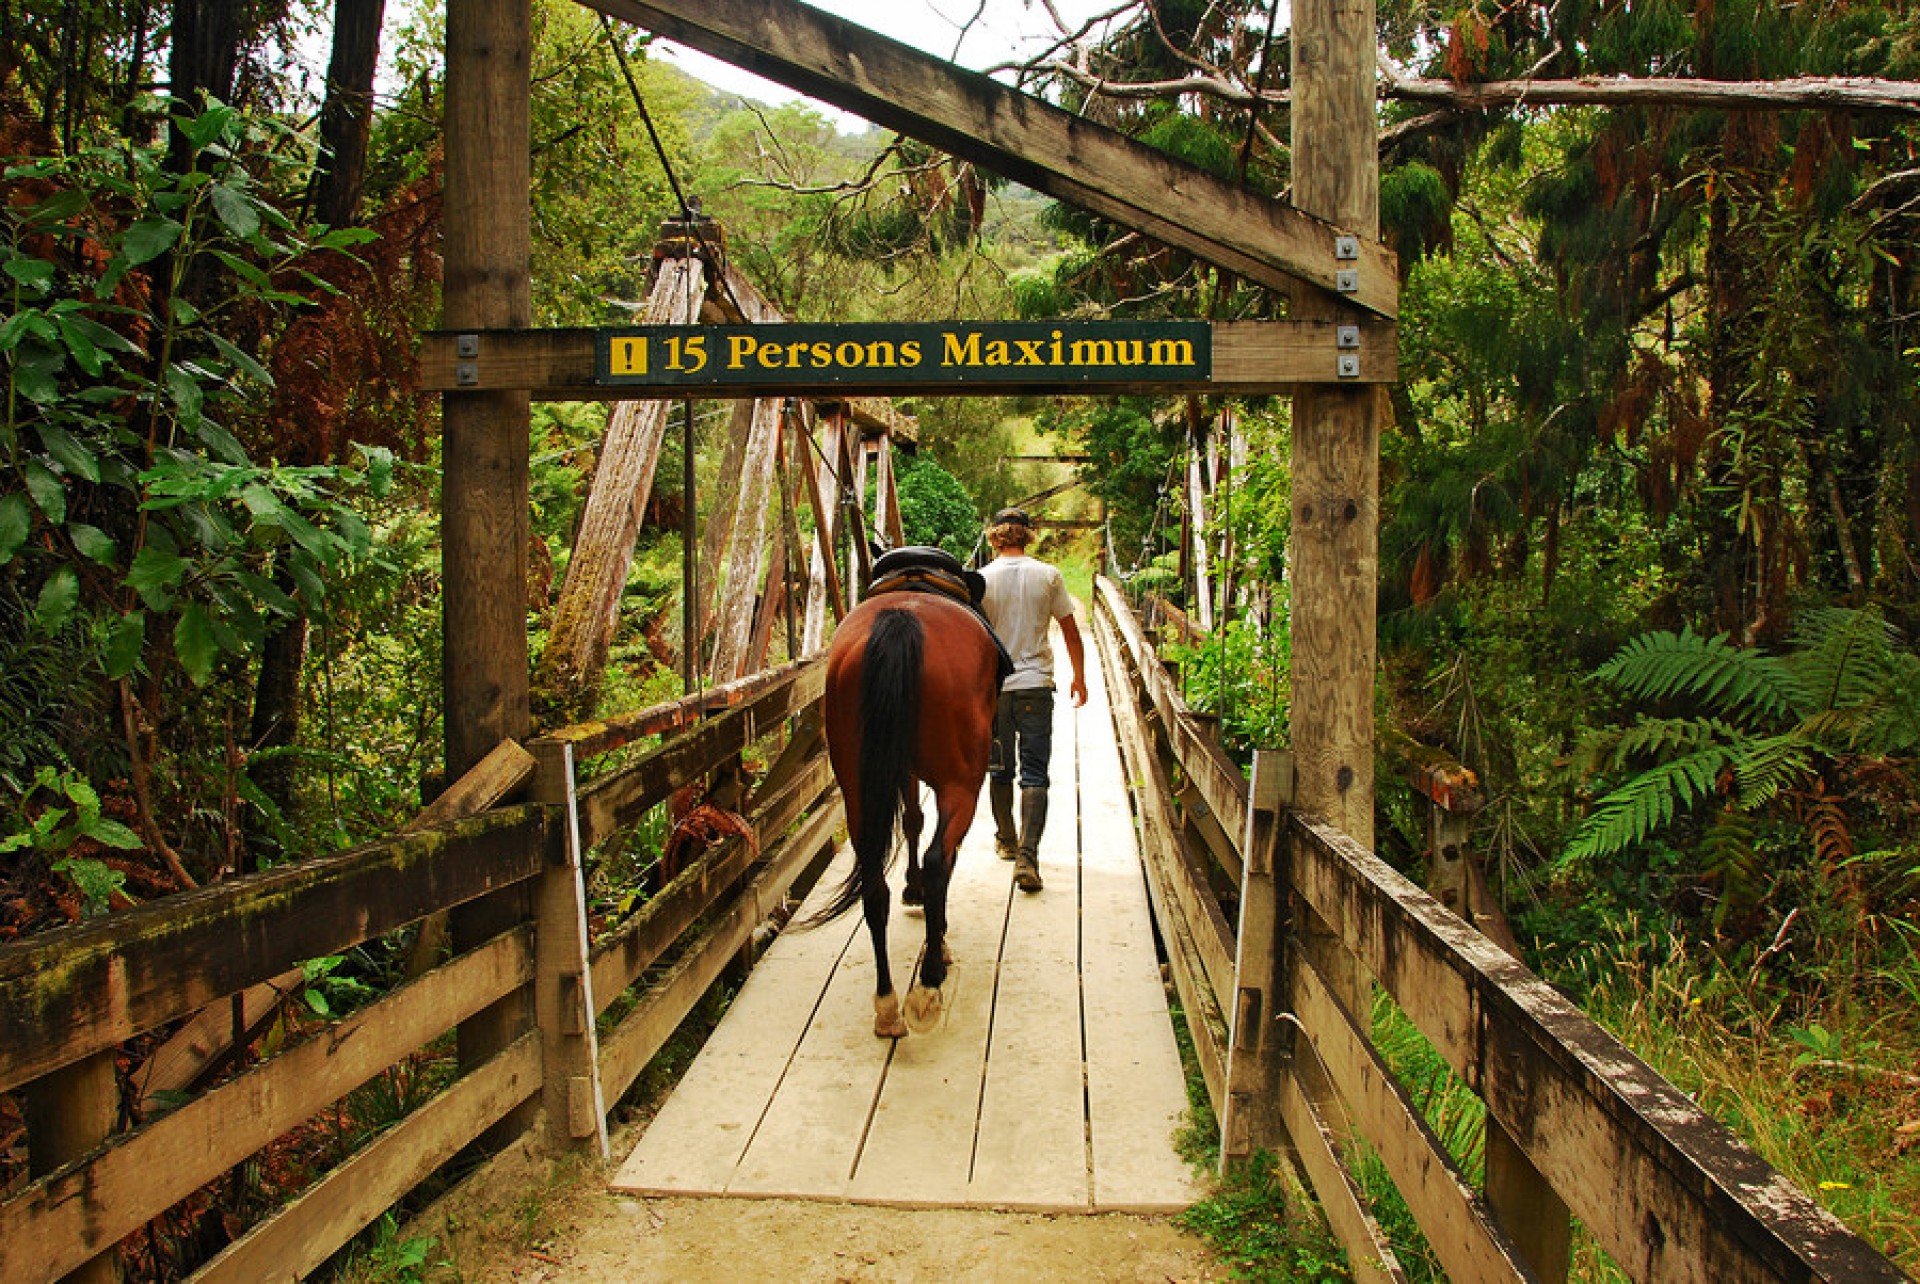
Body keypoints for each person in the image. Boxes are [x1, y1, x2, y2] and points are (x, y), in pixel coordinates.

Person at [978, 507, 1088, 893]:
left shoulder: (979, 579)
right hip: (1037, 686)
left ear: (994, 537)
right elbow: (1071, 631)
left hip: (995, 689)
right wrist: (1080, 676)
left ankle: (1006, 840)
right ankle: (1028, 857)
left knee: (999, 767)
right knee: (1035, 772)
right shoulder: (1049, 576)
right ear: (1029, 536)